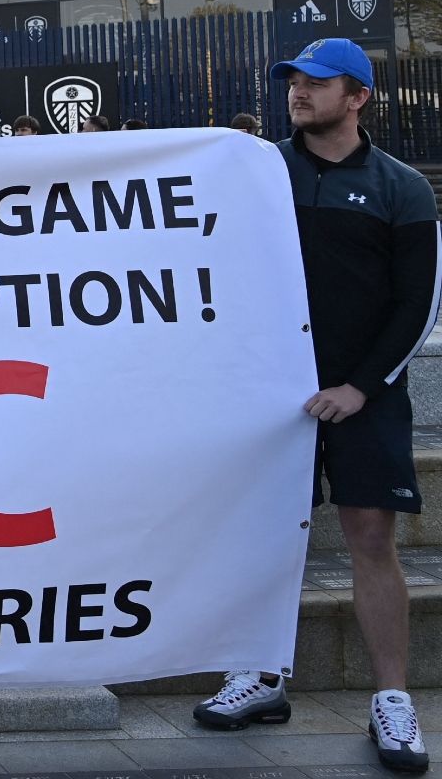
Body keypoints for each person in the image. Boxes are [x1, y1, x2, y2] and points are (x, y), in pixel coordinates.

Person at [191, 39, 435, 773]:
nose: (298, 92)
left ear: (357, 96)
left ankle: (392, 699)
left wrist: (360, 386)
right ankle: (260, 677)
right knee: (265, 538)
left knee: (369, 539)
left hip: (364, 395)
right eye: (293, 82)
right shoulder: (258, 173)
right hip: (272, 396)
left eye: (316, 83)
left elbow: (416, 305)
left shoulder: (400, 186)